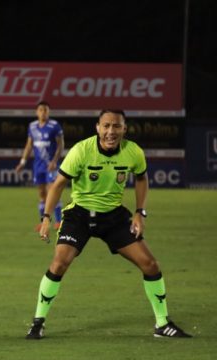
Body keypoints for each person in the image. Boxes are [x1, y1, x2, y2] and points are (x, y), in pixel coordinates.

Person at [26, 109, 192, 339]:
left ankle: (162, 324)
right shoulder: (82, 151)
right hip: (80, 215)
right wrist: (46, 218)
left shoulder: (133, 152)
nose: (111, 131)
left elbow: (142, 178)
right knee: (60, 263)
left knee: (150, 264)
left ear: (124, 128)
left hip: (113, 217)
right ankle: (37, 323)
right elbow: (58, 184)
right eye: (106, 126)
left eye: (116, 126)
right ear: (98, 128)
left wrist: (139, 213)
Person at [15, 101, 65, 229]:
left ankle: (58, 221)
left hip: (51, 165)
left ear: (48, 112)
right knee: (42, 193)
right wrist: (22, 162)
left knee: (52, 191)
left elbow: (60, 145)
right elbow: (29, 145)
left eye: (46, 110)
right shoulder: (32, 127)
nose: (43, 112)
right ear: (37, 112)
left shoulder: (54, 126)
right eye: (41, 110)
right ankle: (43, 222)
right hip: (38, 166)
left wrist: (54, 161)